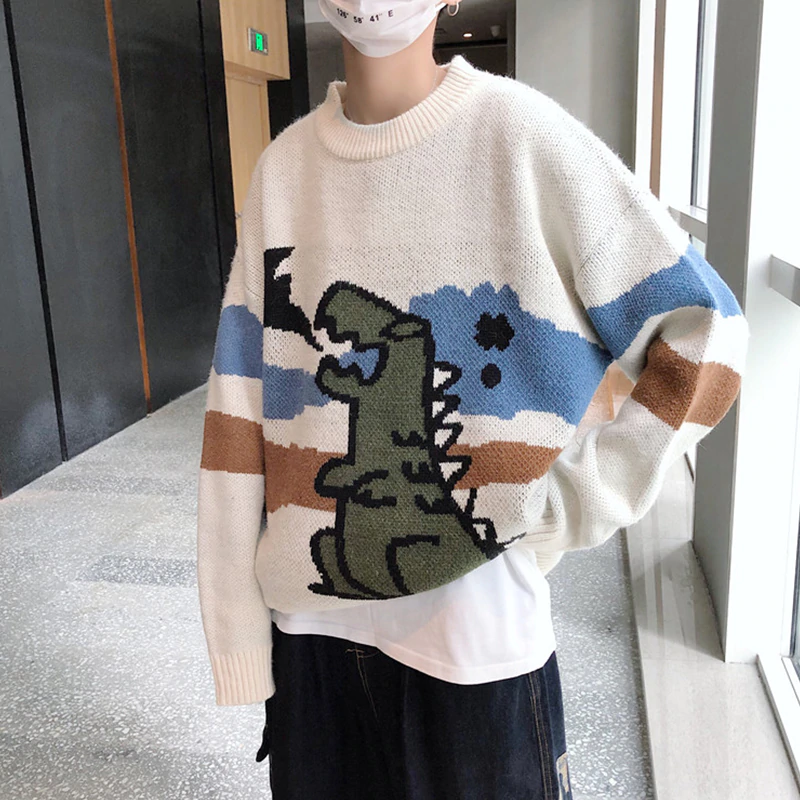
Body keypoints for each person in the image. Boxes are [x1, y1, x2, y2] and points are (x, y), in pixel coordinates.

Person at [196, 1, 750, 798]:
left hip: (479, 643)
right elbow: (236, 414)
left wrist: (567, 504)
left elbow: (708, 333)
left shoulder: (524, 135)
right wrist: (238, 638)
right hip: (310, 641)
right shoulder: (282, 170)